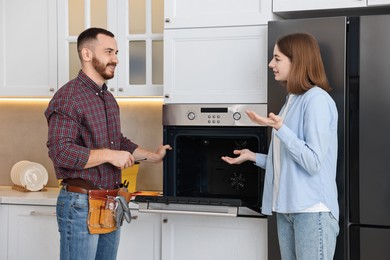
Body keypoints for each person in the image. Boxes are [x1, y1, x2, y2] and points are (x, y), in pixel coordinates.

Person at [45, 27, 171, 260]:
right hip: (80, 204)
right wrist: (109, 155)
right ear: (87, 54)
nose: (116, 59)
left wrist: (153, 156)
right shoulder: (68, 97)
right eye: (109, 52)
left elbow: (117, 142)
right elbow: (61, 152)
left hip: (109, 202)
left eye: (116, 52)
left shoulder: (107, 98)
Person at [221, 33, 339, 260]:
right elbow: (288, 160)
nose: (270, 64)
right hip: (287, 209)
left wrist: (281, 129)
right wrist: (253, 157)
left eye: (277, 58)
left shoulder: (317, 100)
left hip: (312, 211)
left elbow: (313, 162)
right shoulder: (291, 100)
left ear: (297, 61)